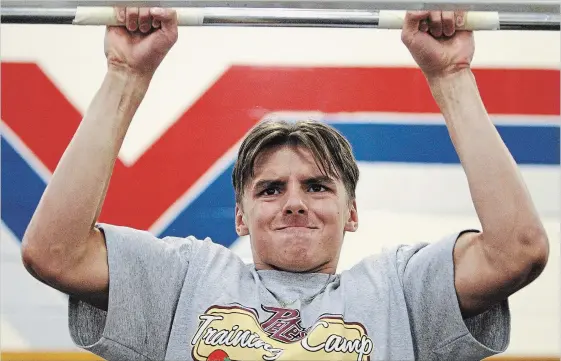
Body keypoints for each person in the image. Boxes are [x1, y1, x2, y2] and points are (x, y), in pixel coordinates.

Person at [21, 6, 549, 361]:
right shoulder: (184, 279)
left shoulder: (402, 290)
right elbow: (54, 252)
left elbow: (517, 251)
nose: (294, 202)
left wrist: (451, 78)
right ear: (239, 216)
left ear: (352, 212)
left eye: (317, 186)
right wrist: (125, 74)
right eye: (270, 189)